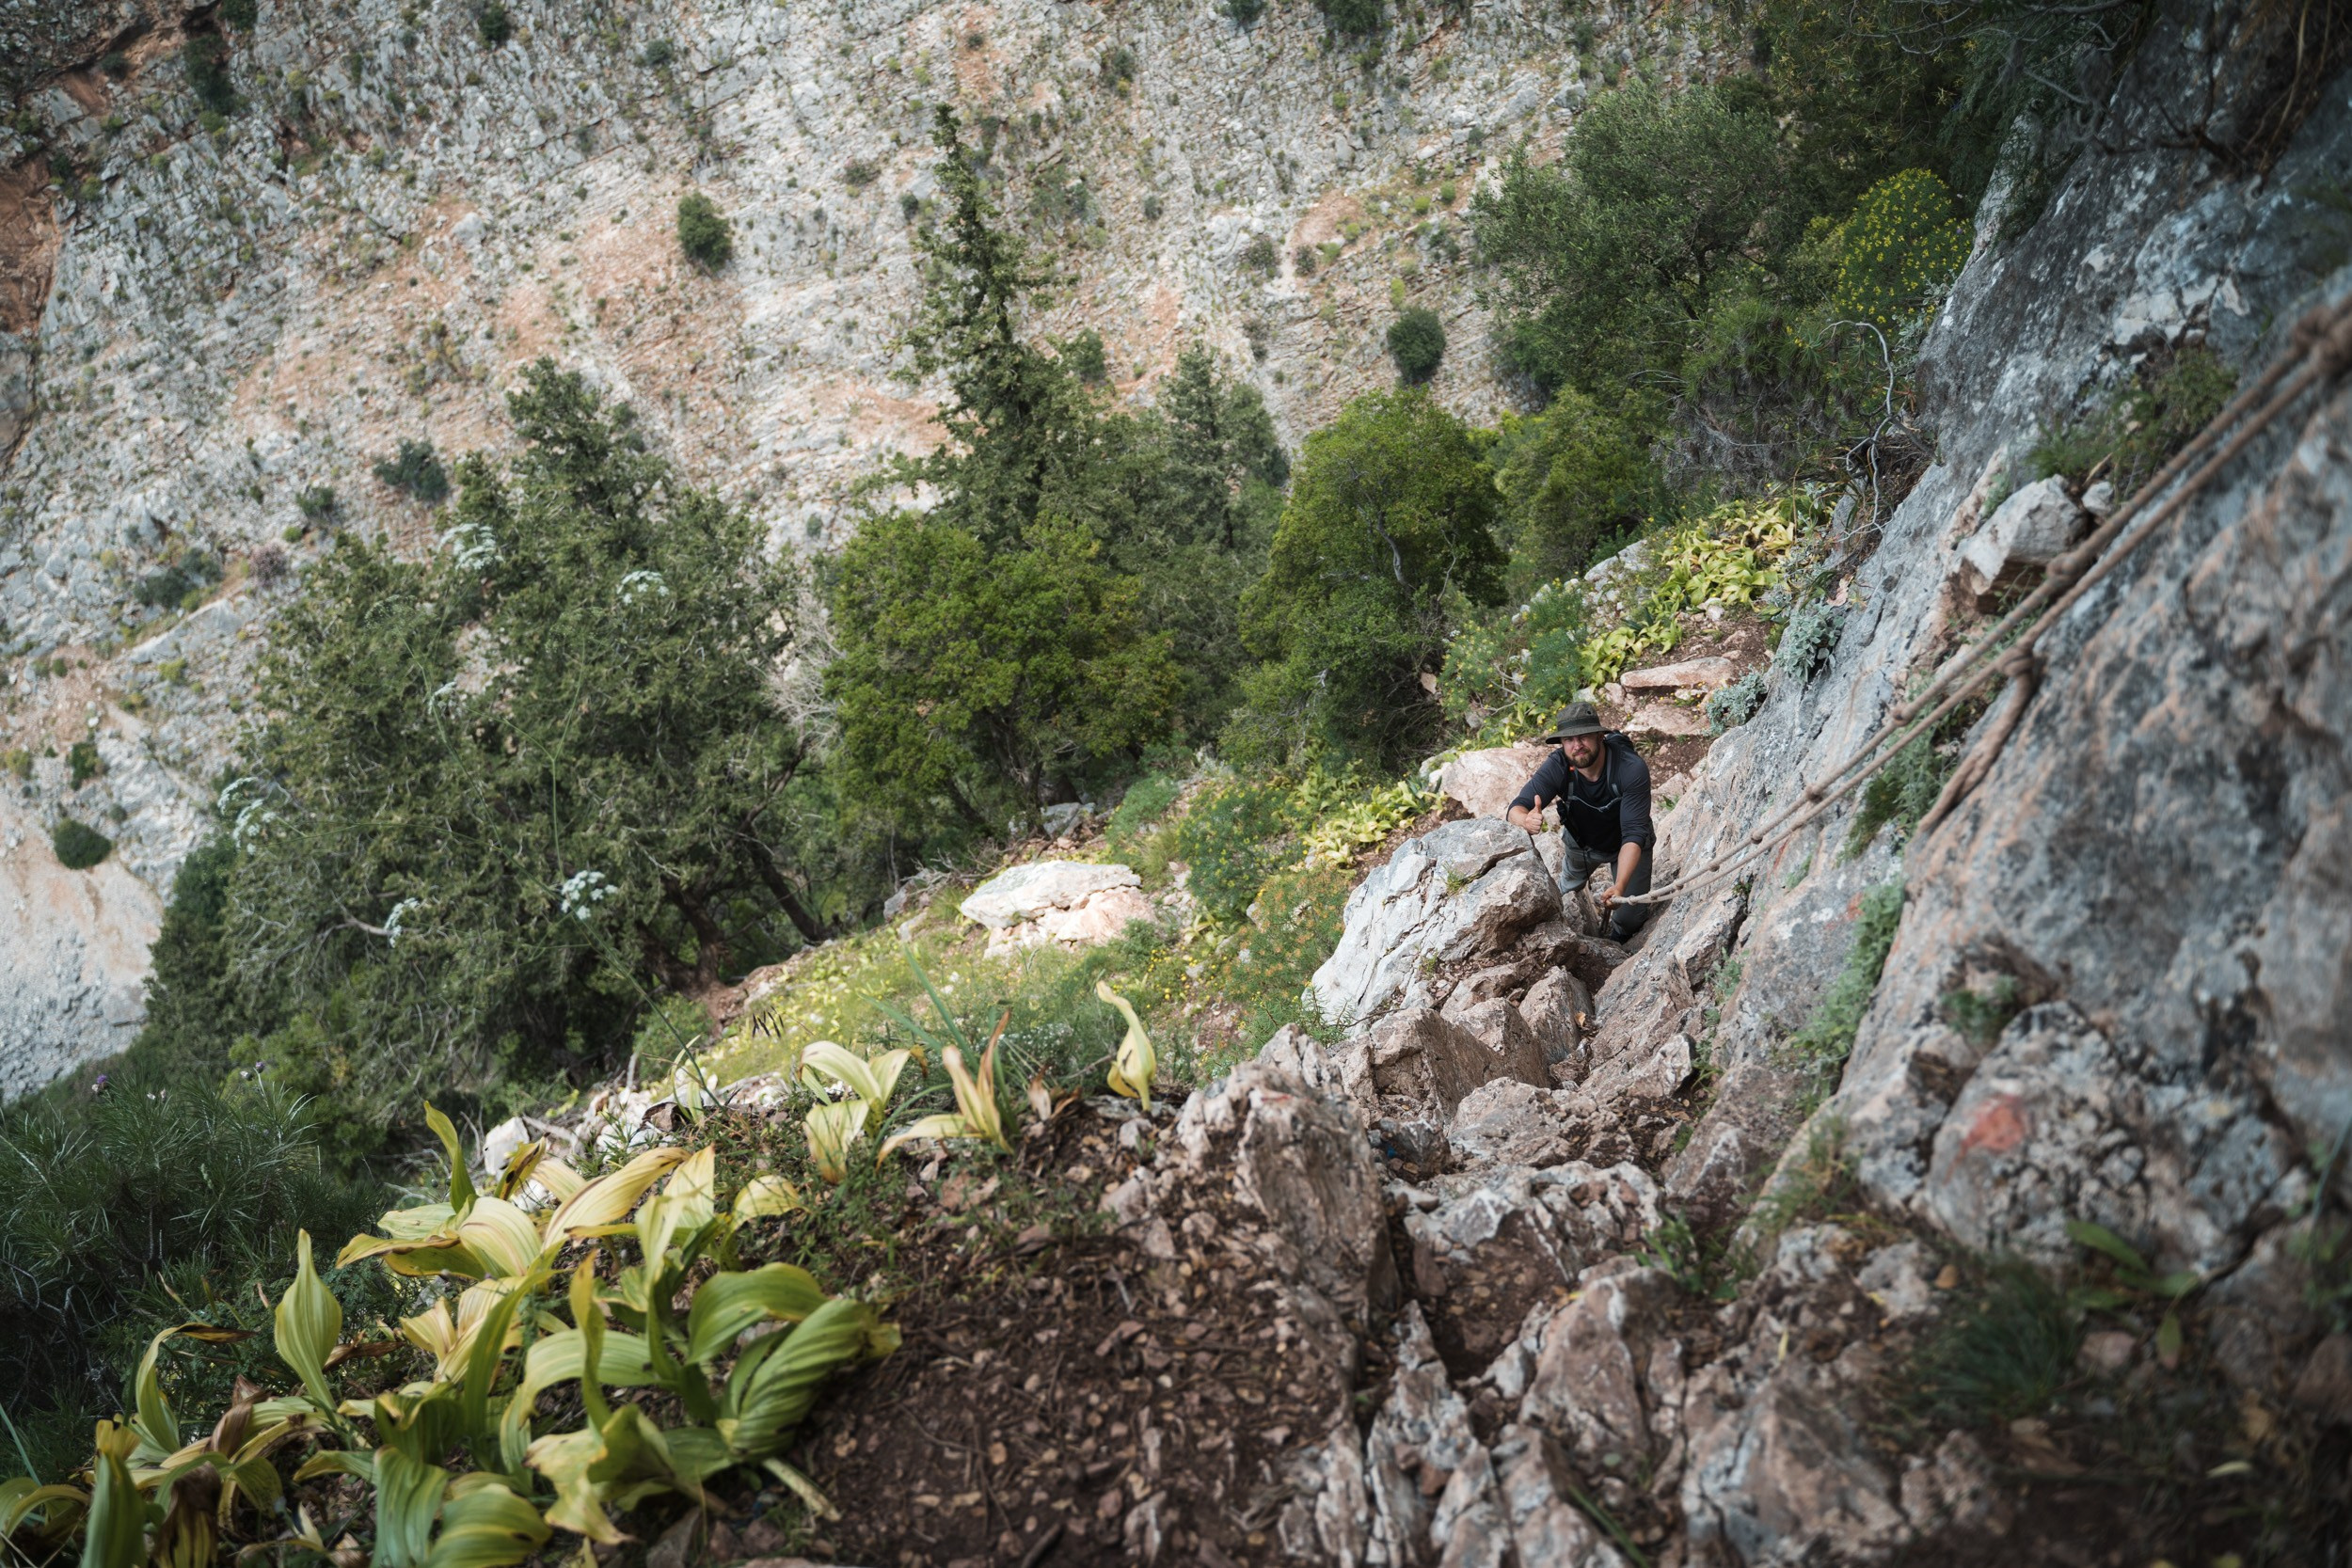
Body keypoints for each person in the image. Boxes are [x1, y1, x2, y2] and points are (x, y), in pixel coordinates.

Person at [1505, 702, 1656, 944]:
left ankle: (1618, 945)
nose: (1577, 746)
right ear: (1562, 744)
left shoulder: (1630, 768)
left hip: (1627, 847)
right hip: (1582, 844)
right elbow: (1516, 807)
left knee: (1629, 917)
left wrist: (1619, 886)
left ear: (1599, 736)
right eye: (1568, 740)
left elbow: (1634, 834)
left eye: (1584, 737)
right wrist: (1525, 819)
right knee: (1563, 894)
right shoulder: (1558, 765)